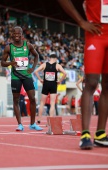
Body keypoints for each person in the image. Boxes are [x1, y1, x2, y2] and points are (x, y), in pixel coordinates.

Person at [58, 0, 108, 149]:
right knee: (91, 82)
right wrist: (81, 21)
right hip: (96, 34)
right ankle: (85, 134)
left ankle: (100, 134)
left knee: (107, 85)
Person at [1, 26, 43, 131]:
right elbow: (2, 62)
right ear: (12, 35)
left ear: (21, 35)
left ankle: (32, 124)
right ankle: (20, 124)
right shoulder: (8, 48)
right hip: (16, 77)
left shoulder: (27, 45)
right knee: (16, 100)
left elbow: (36, 56)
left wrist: (33, 68)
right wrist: (11, 63)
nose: (16, 36)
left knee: (32, 99)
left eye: (18, 34)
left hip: (27, 76)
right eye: (14, 34)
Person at [34, 53, 67, 123]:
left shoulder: (44, 64)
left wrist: (40, 79)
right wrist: (60, 81)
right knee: (52, 103)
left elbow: (36, 71)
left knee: (42, 102)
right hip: (53, 84)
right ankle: (50, 121)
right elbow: (65, 73)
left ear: (50, 58)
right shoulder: (57, 65)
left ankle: (39, 119)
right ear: (55, 59)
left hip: (46, 84)